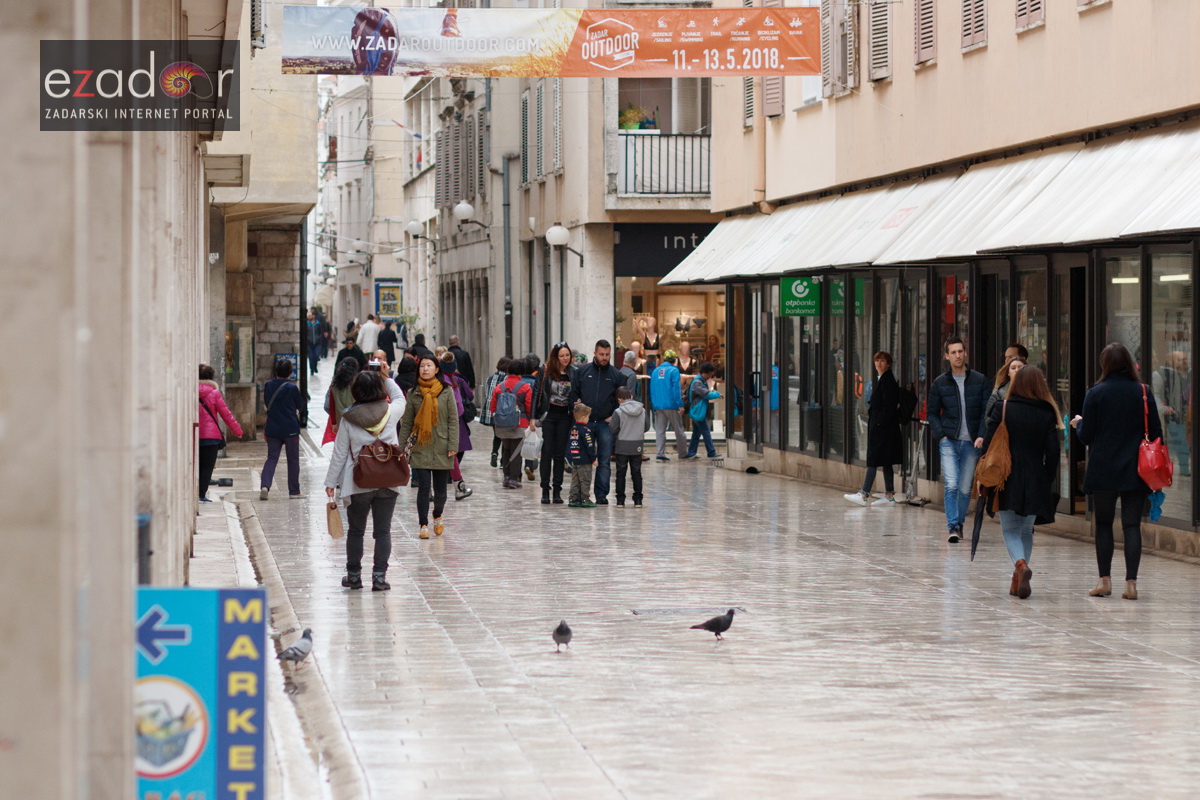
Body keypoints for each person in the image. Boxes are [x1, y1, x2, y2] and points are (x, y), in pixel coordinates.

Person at [1072, 342, 1163, 601]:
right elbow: (1156, 432)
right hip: (1137, 469)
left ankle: (1104, 582)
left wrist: (1079, 424)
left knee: (1103, 523)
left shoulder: (1096, 393)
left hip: (1104, 468)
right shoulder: (1143, 391)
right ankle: (1131, 584)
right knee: (1132, 525)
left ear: (1105, 365)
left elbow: (1087, 436)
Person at [980, 366, 1061, 599]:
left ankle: (1020, 565)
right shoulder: (1047, 412)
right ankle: (1018, 576)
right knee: (1026, 529)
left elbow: (988, 444)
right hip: (1036, 476)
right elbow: (1053, 452)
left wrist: (983, 476)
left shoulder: (1002, 408)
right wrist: (1048, 477)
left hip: (1006, 476)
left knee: (1009, 529)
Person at [323, 371, 406, 590]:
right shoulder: (391, 411)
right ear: (380, 389)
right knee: (383, 531)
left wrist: (331, 482)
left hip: (358, 481)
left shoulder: (348, 417)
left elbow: (340, 454)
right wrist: (386, 376)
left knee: (356, 531)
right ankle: (379, 577)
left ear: (356, 390)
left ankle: (354, 576)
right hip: (388, 479)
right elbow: (400, 398)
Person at [927, 336, 990, 543]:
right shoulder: (940, 383)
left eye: (960, 351)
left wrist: (981, 435)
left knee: (964, 488)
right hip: (949, 441)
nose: (957, 355)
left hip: (972, 442)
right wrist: (941, 435)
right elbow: (932, 412)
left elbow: (985, 412)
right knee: (951, 484)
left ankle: (959, 522)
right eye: (953, 352)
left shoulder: (979, 380)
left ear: (965, 353)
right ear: (947, 356)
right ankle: (953, 525)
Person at [397, 355, 461, 539]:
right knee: (424, 488)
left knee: (441, 492)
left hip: (442, 445)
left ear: (437, 369)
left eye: (429, 365)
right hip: (420, 446)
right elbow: (407, 422)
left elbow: (453, 420)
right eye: (422, 366)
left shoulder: (446, 391)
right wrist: (402, 448)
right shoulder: (413, 392)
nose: (425, 369)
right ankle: (423, 524)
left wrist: (452, 445)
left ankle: (437, 514)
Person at [844, 352, 903, 507]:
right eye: (877, 360)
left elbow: (889, 406)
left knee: (873, 459)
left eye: (882, 361)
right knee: (886, 461)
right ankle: (889, 495)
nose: (879, 363)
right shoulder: (883, 379)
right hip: (885, 428)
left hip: (882, 429)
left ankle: (864, 494)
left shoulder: (887, 380)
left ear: (888, 363)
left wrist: (879, 422)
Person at [569, 340, 623, 504]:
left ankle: (601, 495)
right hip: (585, 424)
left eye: (607, 354)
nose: (604, 357)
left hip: (605, 424)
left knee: (604, 461)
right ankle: (580, 494)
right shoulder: (582, 372)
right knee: (581, 460)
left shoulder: (616, 375)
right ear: (594, 353)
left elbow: (621, 399)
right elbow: (574, 393)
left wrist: (614, 415)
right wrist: (577, 408)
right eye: (601, 354)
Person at [260, 360, 305, 501]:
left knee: (272, 458)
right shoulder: (292, 388)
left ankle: (265, 486)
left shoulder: (268, 385)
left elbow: (267, 403)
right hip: (290, 428)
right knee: (293, 460)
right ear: (290, 372)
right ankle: (294, 491)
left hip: (273, 427)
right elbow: (300, 405)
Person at [197, 365, 243, 502]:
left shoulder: (190, 392)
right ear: (211, 377)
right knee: (207, 467)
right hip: (211, 437)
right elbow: (226, 414)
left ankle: (195, 492)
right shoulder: (214, 393)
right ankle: (201, 495)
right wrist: (237, 431)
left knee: (197, 465)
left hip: (195, 435)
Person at [490, 357, 536, 489]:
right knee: (516, 452)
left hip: (501, 425)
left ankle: (506, 477)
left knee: (507, 450)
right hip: (519, 424)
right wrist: (530, 421)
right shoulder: (525, 387)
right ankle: (514, 478)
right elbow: (528, 407)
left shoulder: (499, 387)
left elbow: (493, 407)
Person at [538, 342, 574, 504]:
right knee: (547, 453)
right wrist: (533, 417)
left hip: (565, 417)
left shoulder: (574, 373)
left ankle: (557, 490)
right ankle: (545, 489)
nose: (565, 358)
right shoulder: (546, 371)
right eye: (562, 356)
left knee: (560, 455)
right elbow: (536, 394)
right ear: (555, 357)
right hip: (549, 416)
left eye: (567, 355)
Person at [440, 353, 475, 501]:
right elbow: (459, 407)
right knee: (452, 453)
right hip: (449, 424)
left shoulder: (433, 381)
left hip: (430, 424)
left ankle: (429, 491)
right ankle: (458, 487)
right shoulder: (454, 383)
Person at [1152, 350, 1190, 477]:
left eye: (1184, 359)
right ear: (1170, 361)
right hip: (1168, 415)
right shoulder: (1159, 375)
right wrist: (1165, 409)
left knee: (1182, 443)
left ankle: (1183, 468)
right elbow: (1156, 395)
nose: (1184, 362)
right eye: (1180, 360)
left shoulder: (1183, 375)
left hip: (1179, 414)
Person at [610, 386, 645, 508]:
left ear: (619, 399)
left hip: (622, 444)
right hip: (637, 444)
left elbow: (613, 428)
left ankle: (620, 500)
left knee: (621, 473)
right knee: (636, 472)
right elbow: (646, 427)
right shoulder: (642, 410)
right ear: (631, 397)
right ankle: (638, 500)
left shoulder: (618, 412)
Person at [650, 351, 687, 461]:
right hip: (671, 405)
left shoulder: (655, 371)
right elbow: (676, 388)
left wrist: (654, 404)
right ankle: (683, 453)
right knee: (679, 430)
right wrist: (679, 404)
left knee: (660, 431)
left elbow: (652, 389)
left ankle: (660, 453)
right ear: (674, 360)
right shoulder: (674, 370)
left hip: (658, 405)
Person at [683, 363, 721, 460]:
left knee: (696, 433)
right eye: (710, 374)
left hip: (697, 410)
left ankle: (691, 452)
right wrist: (717, 394)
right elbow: (706, 394)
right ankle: (711, 452)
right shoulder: (698, 382)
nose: (710, 376)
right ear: (706, 373)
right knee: (706, 431)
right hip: (698, 411)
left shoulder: (699, 381)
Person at [479, 357, 510, 469]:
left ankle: (494, 453)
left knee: (497, 434)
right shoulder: (507, 378)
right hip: (503, 412)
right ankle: (502, 461)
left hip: (491, 411)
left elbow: (487, 394)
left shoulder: (490, 378)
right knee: (505, 436)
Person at [322, 357, 361, 446]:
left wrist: (334, 422)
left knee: (342, 447)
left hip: (341, 421)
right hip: (355, 420)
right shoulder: (357, 382)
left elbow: (330, 405)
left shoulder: (334, 384)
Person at [566, 403, 597, 508]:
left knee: (575, 480)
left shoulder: (573, 429)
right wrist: (593, 459)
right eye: (588, 417)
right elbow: (589, 446)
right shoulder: (586, 431)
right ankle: (585, 498)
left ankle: (573, 499)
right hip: (585, 460)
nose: (588, 419)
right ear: (584, 417)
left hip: (575, 458)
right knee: (585, 479)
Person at [985, 356, 1026, 423]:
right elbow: (988, 420)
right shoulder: (997, 394)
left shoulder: (1034, 393)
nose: (1017, 370)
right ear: (1008, 373)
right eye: (1013, 368)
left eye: (1020, 367)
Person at [305, 310, 324, 376]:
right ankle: (312, 369)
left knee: (316, 355)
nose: (309, 317)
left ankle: (315, 367)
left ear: (313, 316)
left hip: (317, 343)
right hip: (309, 343)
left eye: (310, 315)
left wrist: (319, 338)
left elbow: (321, 332)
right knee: (311, 357)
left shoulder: (318, 324)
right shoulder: (307, 324)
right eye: (308, 316)